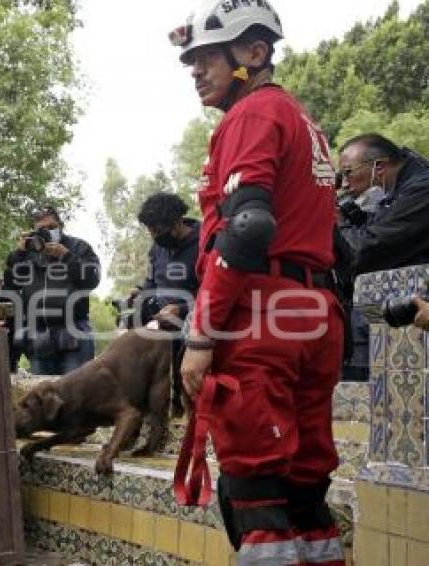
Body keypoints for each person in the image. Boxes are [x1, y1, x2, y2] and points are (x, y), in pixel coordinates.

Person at [169, 2, 346, 564]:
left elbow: (247, 227)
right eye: (189, 62)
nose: (195, 71)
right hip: (314, 312)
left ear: (253, 52)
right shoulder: (302, 121)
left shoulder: (250, 115)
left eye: (206, 58)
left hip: (263, 316)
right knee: (304, 487)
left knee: (256, 490)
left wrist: (201, 334)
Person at [6, 205, 101, 375]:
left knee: (75, 392)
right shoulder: (29, 253)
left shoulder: (79, 247)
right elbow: (11, 284)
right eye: (42, 229)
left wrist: (66, 256)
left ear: (61, 226)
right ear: (34, 232)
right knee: (43, 396)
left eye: (52, 227)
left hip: (75, 332)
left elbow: (92, 280)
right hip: (39, 335)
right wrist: (18, 254)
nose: (48, 232)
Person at [135, 192, 201, 417]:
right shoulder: (157, 249)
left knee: (189, 386)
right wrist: (141, 293)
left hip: (195, 328)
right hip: (162, 330)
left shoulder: (205, 242)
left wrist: (182, 309)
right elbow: (153, 283)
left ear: (176, 222)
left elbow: (215, 290)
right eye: (150, 231)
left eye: (157, 231)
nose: (154, 236)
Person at [337, 134, 429, 274]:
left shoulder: (422, 191)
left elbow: (366, 252)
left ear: (378, 167)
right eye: (341, 176)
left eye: (349, 173)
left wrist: (335, 218)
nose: (344, 185)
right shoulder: (396, 190)